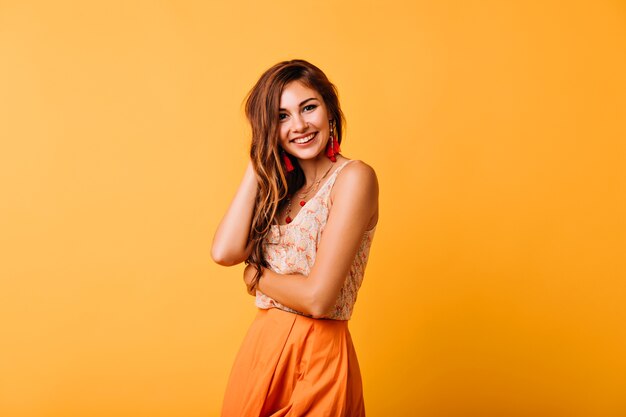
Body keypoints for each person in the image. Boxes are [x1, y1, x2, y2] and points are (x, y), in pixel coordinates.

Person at [211, 59, 379, 416]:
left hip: (318, 358)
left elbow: (319, 300)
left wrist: (257, 277)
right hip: (260, 354)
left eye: (308, 107)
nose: (299, 125)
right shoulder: (282, 190)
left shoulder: (354, 179)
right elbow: (224, 252)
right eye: (281, 116)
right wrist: (259, 159)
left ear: (330, 111)